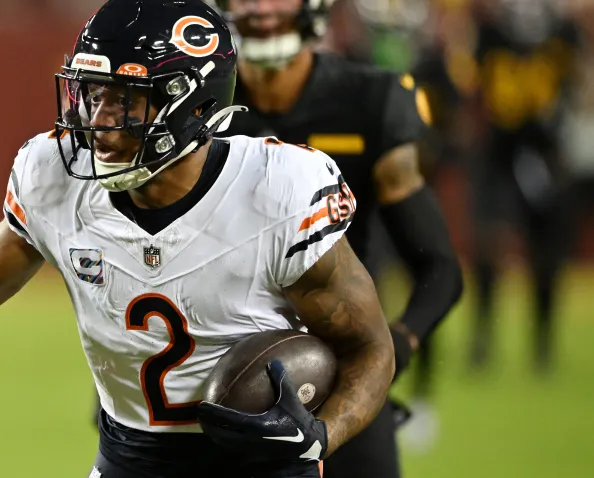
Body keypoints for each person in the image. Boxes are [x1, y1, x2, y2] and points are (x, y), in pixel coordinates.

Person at [0, 1, 395, 477]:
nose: (99, 122)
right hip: (127, 461)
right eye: (93, 93)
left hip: (257, 463)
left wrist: (320, 437)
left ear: (193, 105)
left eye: (125, 100)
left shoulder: (276, 190)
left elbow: (369, 349)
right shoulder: (55, 178)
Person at [211, 0, 464, 476]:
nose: (262, 9)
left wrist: (393, 349)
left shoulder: (369, 100)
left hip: (343, 378)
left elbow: (438, 267)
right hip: (217, 379)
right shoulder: (197, 104)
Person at [465, 0, 580, 374]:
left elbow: (579, 83)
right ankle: (482, 339)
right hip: (500, 153)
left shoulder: (565, 31)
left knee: (547, 257)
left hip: (548, 157)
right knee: (488, 249)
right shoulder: (490, 31)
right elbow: (471, 85)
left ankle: (543, 346)